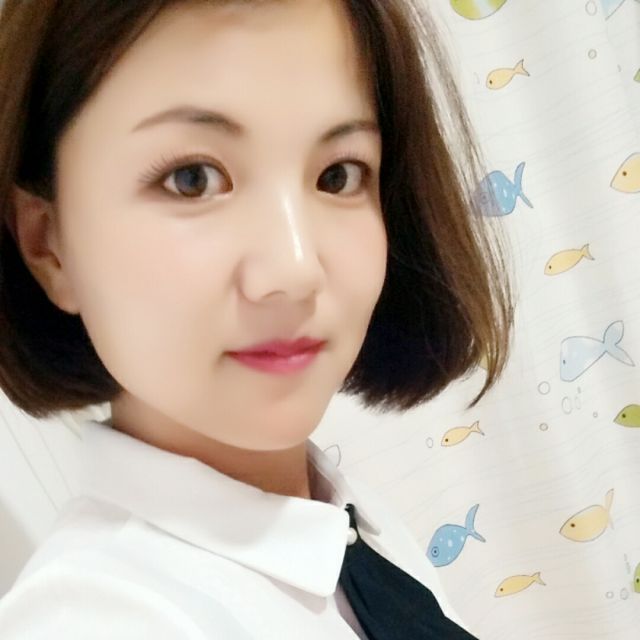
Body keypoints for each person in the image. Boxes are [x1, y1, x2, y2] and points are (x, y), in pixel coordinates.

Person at [0, 0, 514, 637]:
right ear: (49, 244)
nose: (295, 269)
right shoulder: (96, 621)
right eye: (192, 179)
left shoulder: (346, 527)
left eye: (338, 175)